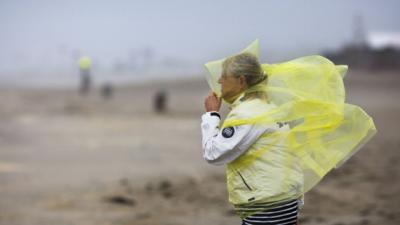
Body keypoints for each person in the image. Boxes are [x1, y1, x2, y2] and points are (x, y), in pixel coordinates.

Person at [201, 53, 302, 225]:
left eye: (224, 76)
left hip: (266, 205)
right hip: (285, 198)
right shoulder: (269, 107)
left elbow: (213, 153)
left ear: (241, 81)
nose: (219, 81)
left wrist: (211, 115)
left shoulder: (247, 114)